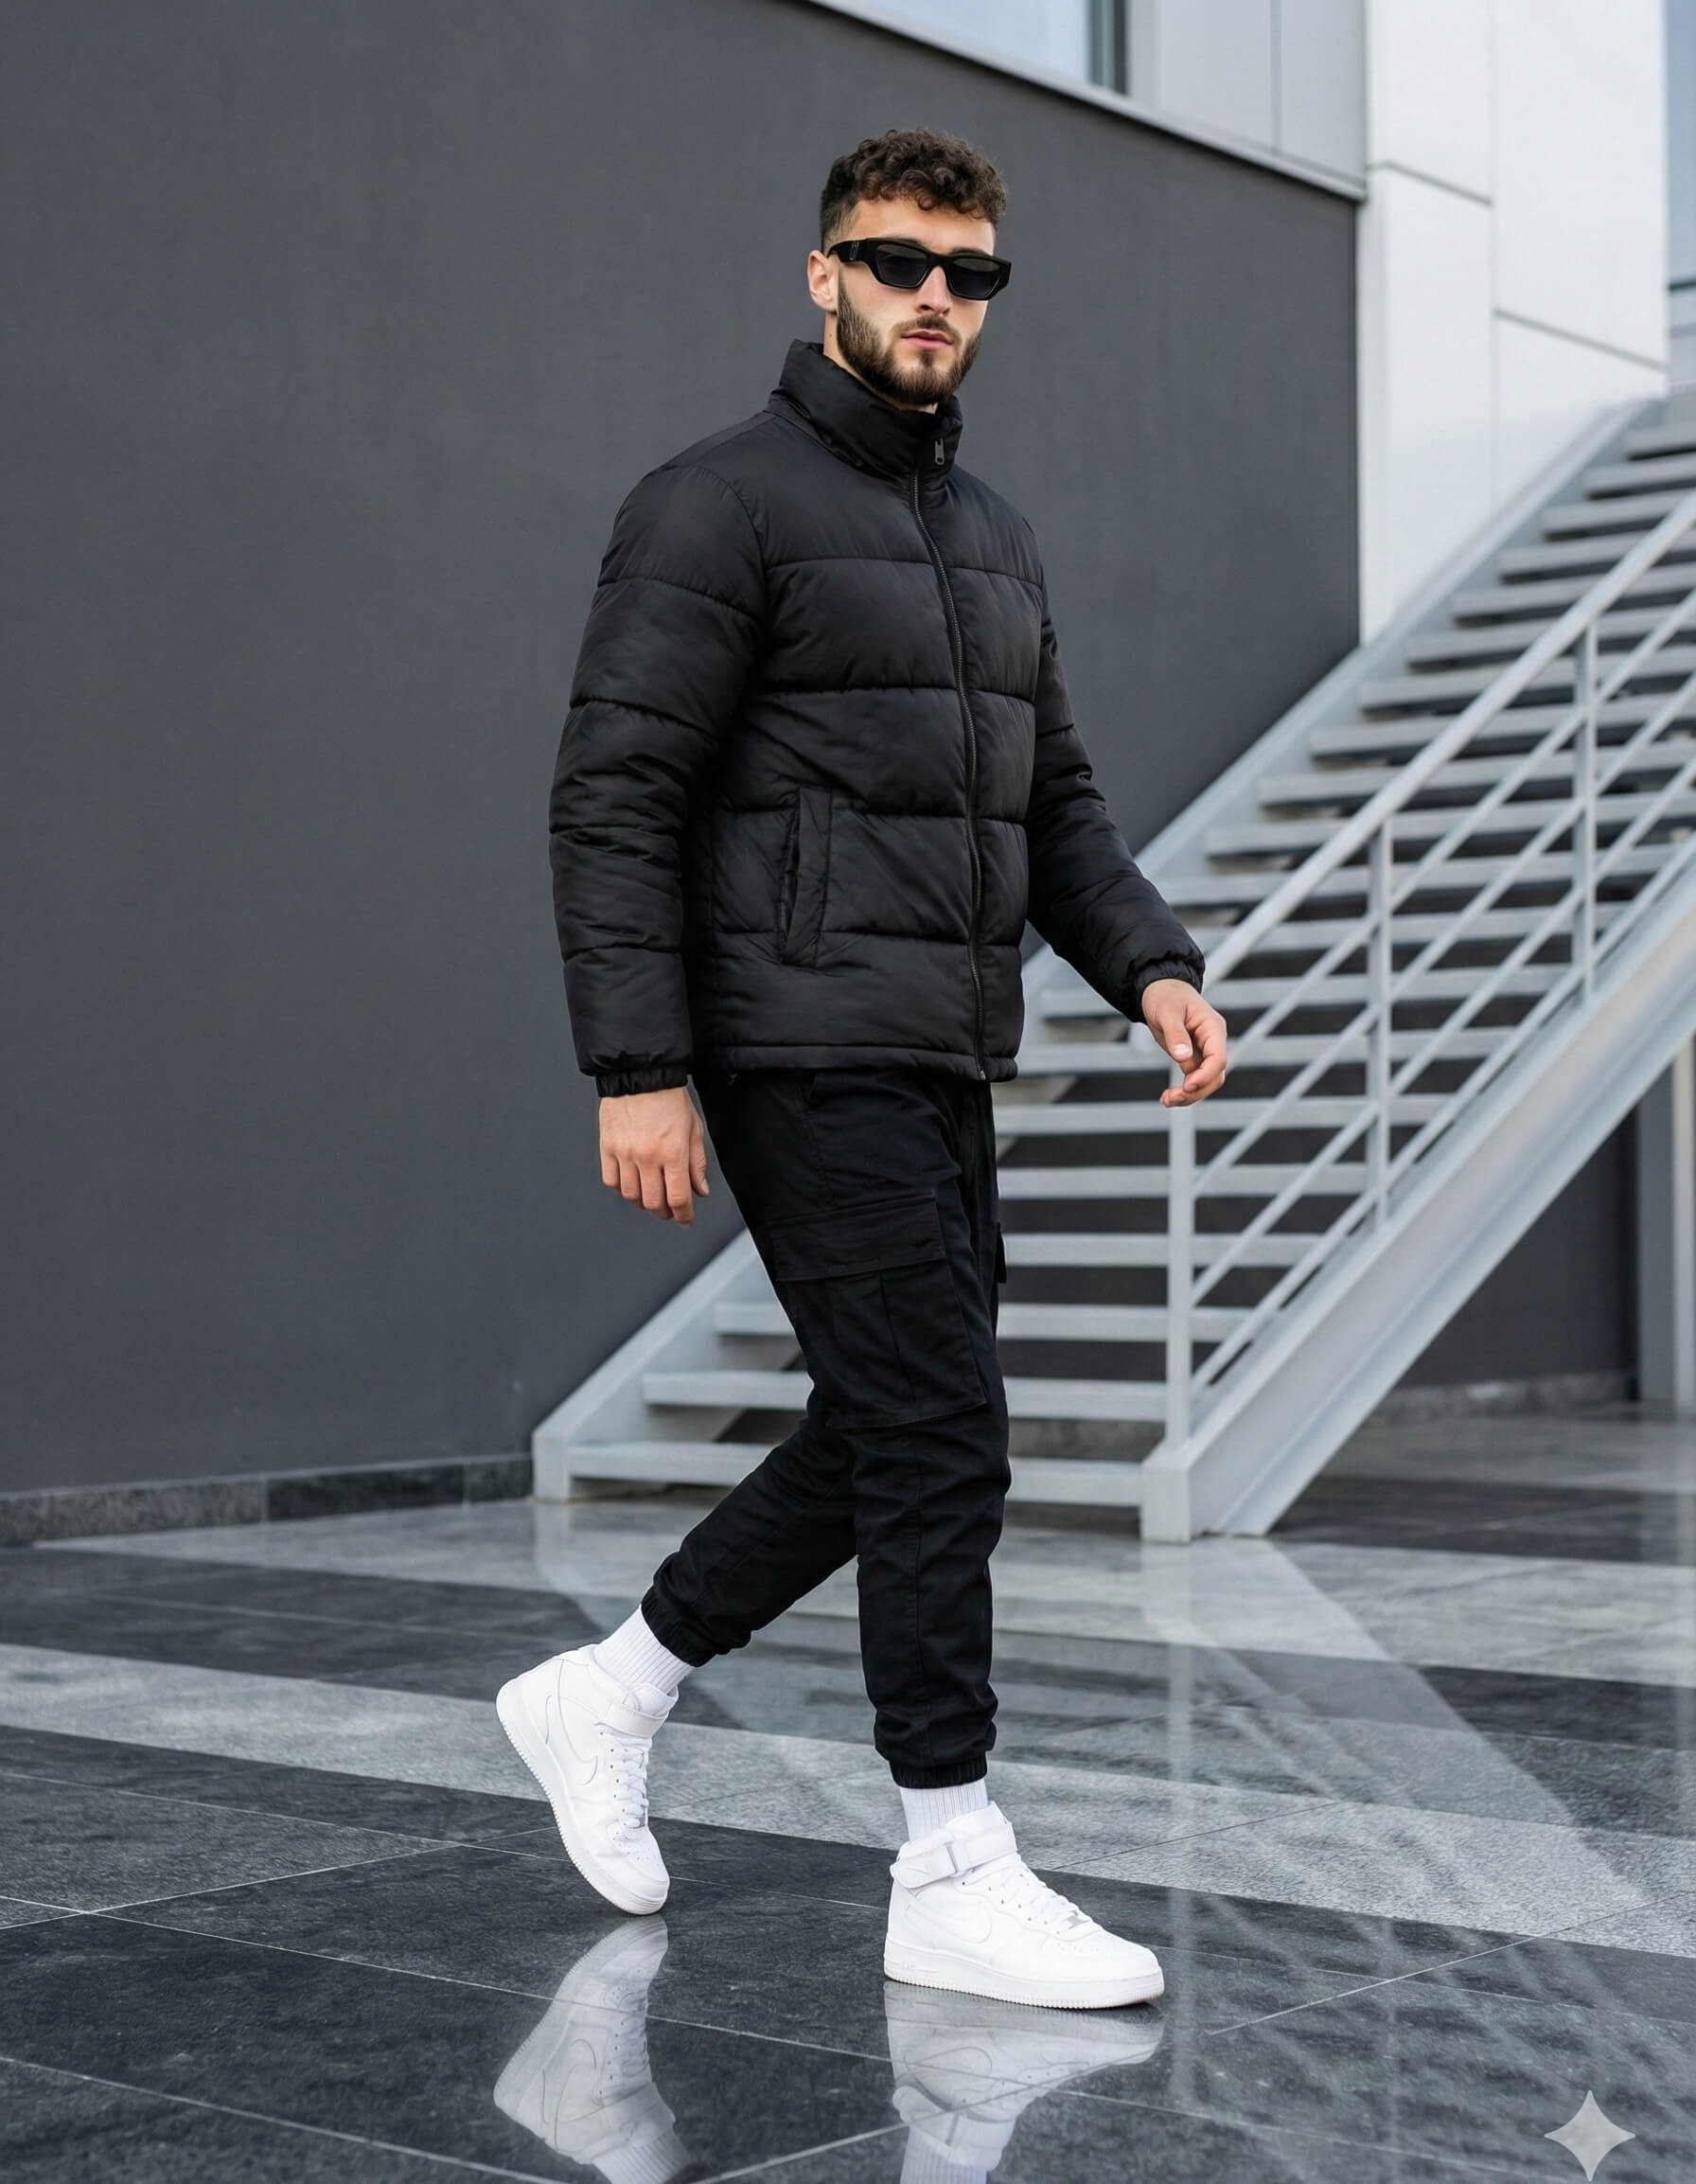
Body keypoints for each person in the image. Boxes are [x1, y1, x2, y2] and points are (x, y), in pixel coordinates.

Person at [499, 128, 1228, 2010]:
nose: (933, 297)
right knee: (940, 1429)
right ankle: (950, 1856)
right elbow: (613, 795)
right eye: (897, 261)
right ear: (821, 274)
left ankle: (611, 1689)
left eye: (967, 273)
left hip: (934, 1042)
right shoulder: (715, 505)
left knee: (891, 1421)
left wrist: (1149, 960)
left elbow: (1052, 803)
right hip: (790, 1036)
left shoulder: (991, 538)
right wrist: (638, 1062)